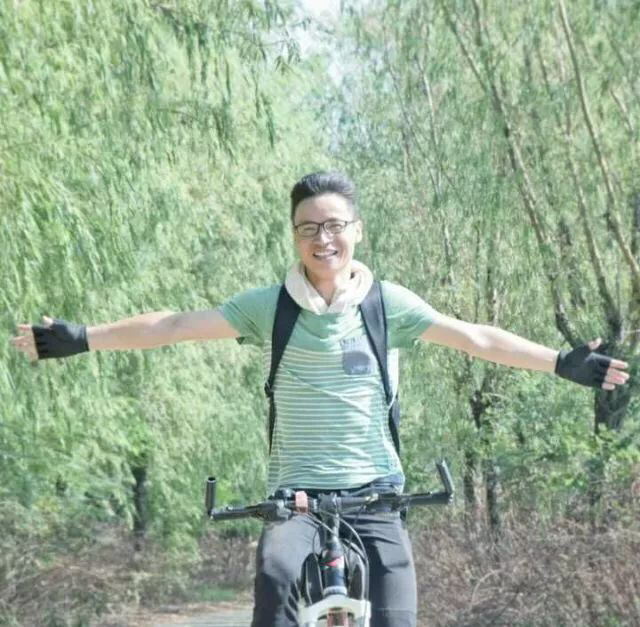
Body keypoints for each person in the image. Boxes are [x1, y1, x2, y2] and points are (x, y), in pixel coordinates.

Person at [10, 171, 631, 627]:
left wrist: (558, 362)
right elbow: (174, 325)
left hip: (378, 495)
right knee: (276, 577)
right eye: (308, 227)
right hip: (296, 500)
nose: (322, 237)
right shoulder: (270, 307)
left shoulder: (388, 306)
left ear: (356, 231)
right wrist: (84, 337)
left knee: (398, 609)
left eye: (334, 225)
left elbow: (475, 338)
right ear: (294, 236)